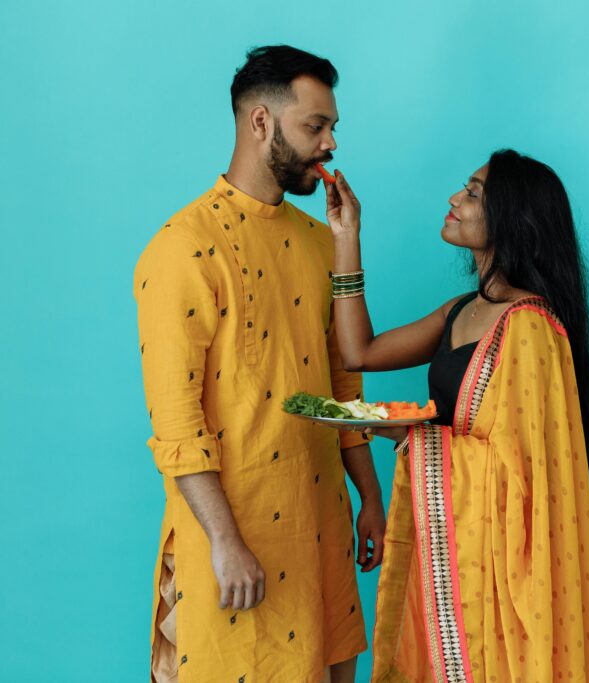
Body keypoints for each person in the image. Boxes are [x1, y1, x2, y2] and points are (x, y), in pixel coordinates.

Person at [133, 45, 384, 683]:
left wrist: (370, 496)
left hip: (320, 528)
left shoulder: (318, 240)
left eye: (332, 128)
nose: (330, 144)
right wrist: (224, 541)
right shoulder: (183, 248)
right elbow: (176, 420)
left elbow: (339, 384)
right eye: (315, 126)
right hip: (237, 544)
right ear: (262, 124)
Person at [324, 149, 589, 681]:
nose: (454, 200)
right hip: (448, 554)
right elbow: (359, 353)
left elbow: (523, 478)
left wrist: (407, 433)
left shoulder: (530, 329)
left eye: (474, 193)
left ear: (514, 218)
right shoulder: (461, 309)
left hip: (497, 577)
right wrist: (347, 238)